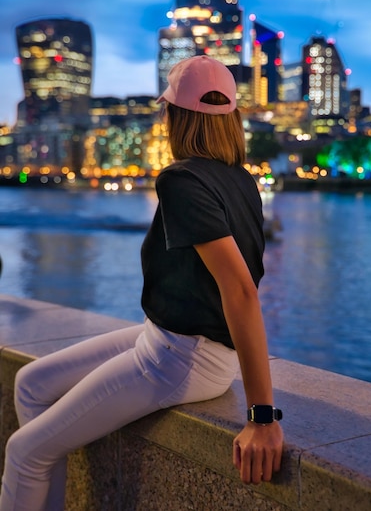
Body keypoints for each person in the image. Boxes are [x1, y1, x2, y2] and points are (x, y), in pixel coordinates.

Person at [0, 55, 284, 511]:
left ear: (176, 116)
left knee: (23, 451)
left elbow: (241, 291)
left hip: (185, 357)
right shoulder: (241, 180)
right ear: (230, 119)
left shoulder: (181, 179)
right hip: (171, 339)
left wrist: (263, 417)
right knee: (31, 384)